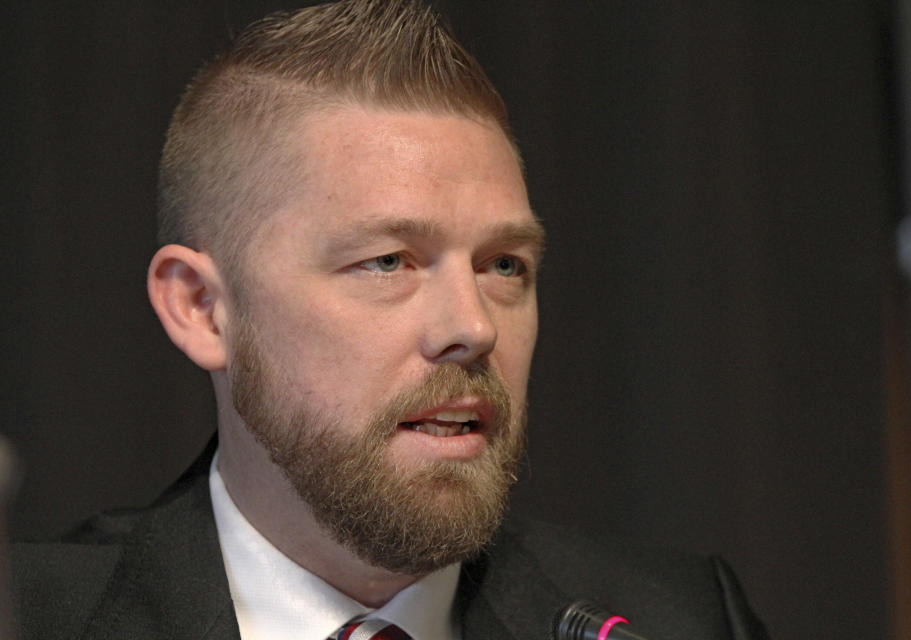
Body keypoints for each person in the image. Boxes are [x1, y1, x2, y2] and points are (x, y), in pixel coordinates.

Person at [12, 1, 770, 638]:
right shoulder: (32, 615)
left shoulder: (680, 618)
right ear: (202, 308)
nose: (472, 327)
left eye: (504, 265)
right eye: (389, 262)